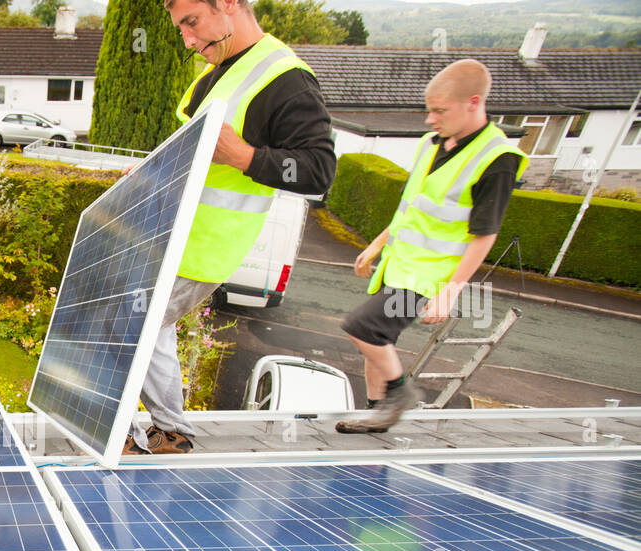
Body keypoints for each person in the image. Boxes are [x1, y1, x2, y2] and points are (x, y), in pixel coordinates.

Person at [124, 0, 336, 454]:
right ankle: (172, 431)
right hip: (171, 235)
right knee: (150, 325)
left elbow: (319, 172)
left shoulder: (287, 81)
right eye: (181, 28)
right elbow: (193, 156)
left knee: (126, 320)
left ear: (228, 5)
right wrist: (148, 176)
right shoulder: (217, 71)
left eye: (192, 23)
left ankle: (113, 432)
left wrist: (244, 156)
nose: (187, 40)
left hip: (204, 248)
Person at [336, 58, 527, 434]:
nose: (429, 119)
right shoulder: (430, 144)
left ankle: (400, 395)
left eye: (439, 111)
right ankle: (378, 414)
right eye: (429, 110)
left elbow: (484, 234)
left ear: (473, 102)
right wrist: (378, 243)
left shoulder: (497, 159)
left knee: (362, 327)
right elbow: (413, 207)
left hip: (430, 276)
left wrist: (449, 292)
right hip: (399, 263)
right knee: (378, 343)